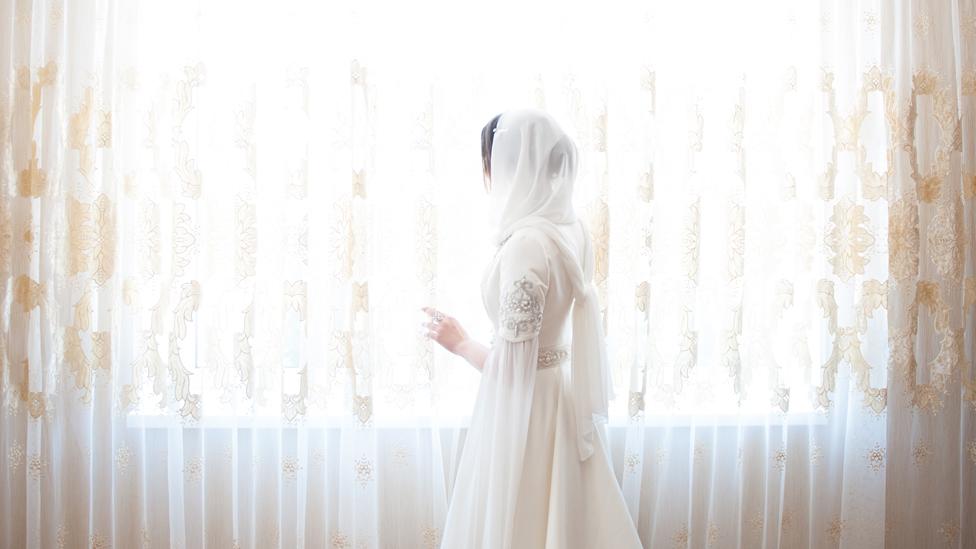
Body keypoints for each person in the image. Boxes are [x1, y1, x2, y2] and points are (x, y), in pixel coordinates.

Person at [422, 109, 644, 548]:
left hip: (528, 413)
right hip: (558, 398)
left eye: (493, 164)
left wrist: (462, 342)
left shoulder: (527, 242)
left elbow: (513, 368)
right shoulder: (571, 230)